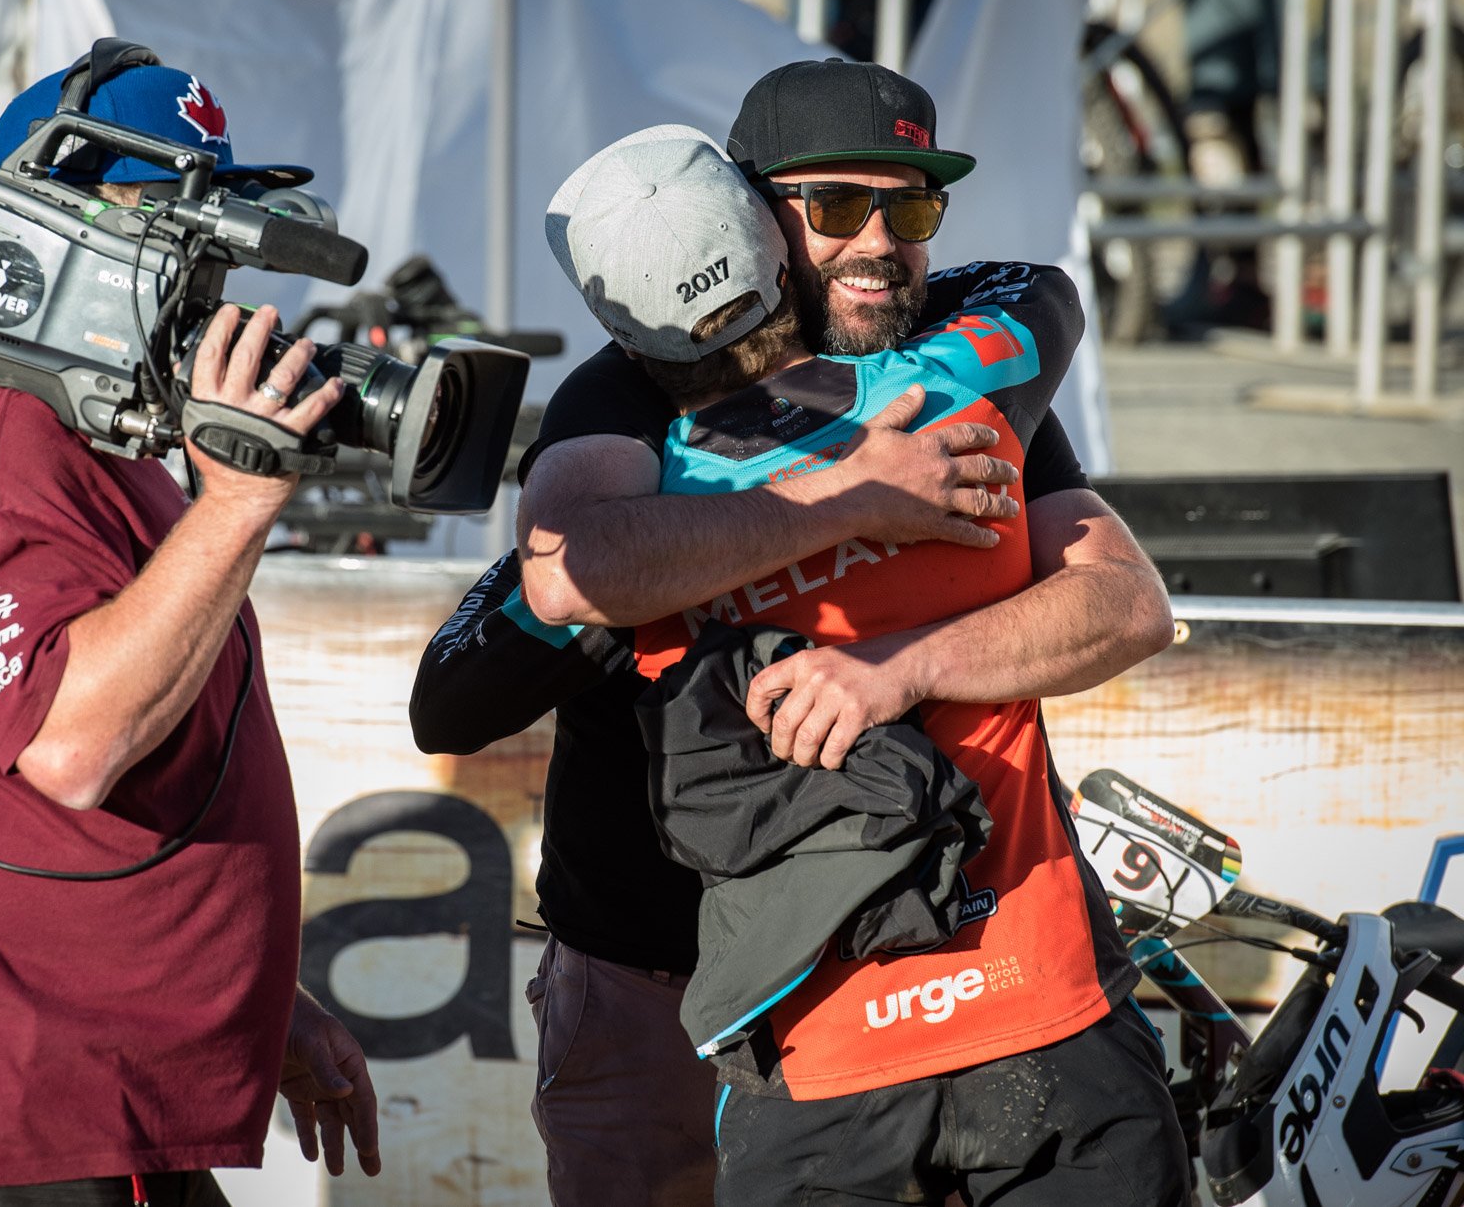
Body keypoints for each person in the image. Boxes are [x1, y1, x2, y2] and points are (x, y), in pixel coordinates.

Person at [414, 59, 1178, 1207]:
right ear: (752, 217)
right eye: (837, 208)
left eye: (912, 207)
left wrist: (897, 663)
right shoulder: (629, 402)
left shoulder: (957, 377)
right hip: (649, 973)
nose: (880, 241)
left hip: (962, 978)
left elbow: (1126, 600)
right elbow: (493, 658)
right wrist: (849, 496)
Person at [0, 49, 379, 1206]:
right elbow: (74, 742)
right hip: (12, 1103)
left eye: (215, 239)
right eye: (178, 235)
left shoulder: (77, 435)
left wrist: (262, 999)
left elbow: (127, 758)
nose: (208, 281)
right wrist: (241, 500)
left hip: (79, 1088)